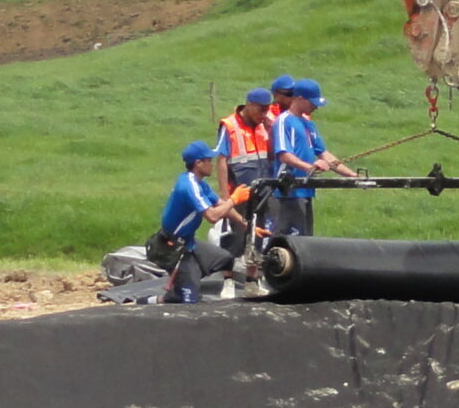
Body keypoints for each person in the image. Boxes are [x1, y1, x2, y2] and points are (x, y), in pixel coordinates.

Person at [152, 143, 246, 304]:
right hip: (172, 248)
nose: (212, 165)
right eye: (209, 160)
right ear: (198, 163)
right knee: (190, 301)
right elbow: (212, 216)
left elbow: (220, 205)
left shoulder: (200, 184)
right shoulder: (189, 186)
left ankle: (187, 281)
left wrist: (247, 225)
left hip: (188, 242)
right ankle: (154, 300)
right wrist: (234, 199)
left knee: (226, 259)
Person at [268, 78, 355, 237]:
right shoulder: (283, 121)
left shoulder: (309, 124)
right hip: (288, 190)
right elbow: (284, 155)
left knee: (305, 236)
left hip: (306, 189)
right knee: (287, 238)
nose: (315, 107)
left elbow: (324, 154)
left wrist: (352, 175)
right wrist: (310, 167)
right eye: (312, 102)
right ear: (300, 99)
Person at [213, 88, 273, 258]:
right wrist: (225, 196)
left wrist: (271, 131)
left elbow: (272, 156)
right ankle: (228, 278)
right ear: (249, 105)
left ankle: (252, 277)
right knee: (238, 238)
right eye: (261, 109)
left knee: (258, 237)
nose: (265, 114)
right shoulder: (230, 125)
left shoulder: (264, 126)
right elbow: (222, 161)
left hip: (261, 192)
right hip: (238, 194)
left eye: (267, 109)